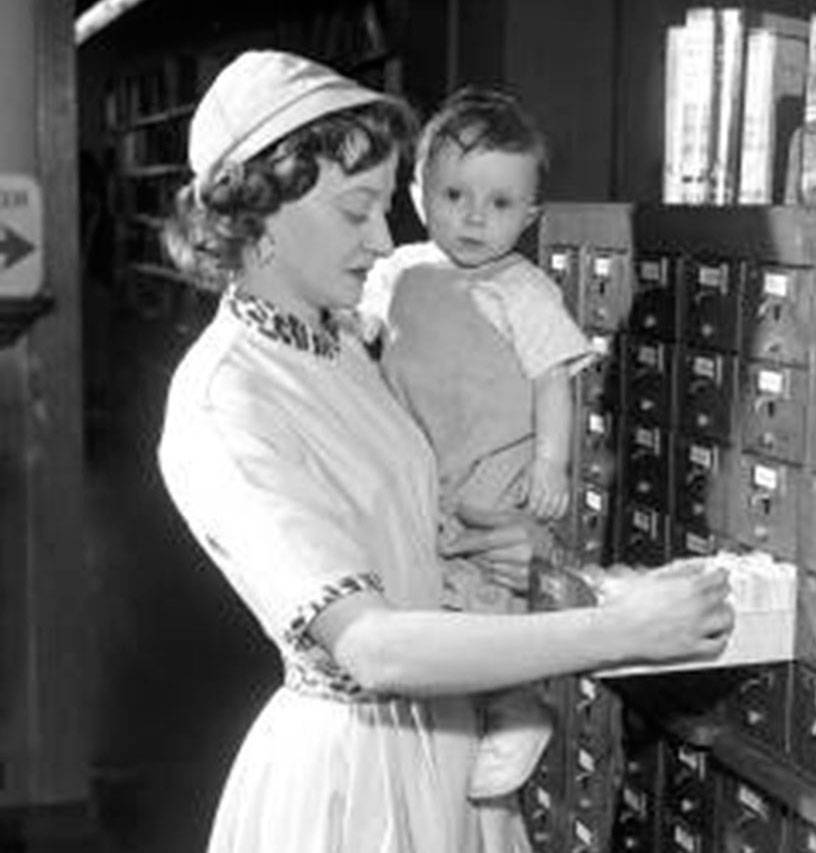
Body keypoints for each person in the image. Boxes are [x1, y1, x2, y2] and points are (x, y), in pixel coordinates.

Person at [157, 49, 733, 852]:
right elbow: (372, 645)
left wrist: (504, 545)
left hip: (449, 742)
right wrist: (623, 630)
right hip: (352, 777)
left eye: (388, 205)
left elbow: (400, 520)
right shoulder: (228, 398)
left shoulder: (342, 343)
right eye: (355, 209)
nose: (382, 236)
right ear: (261, 211)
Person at [360, 86, 589, 615]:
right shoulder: (397, 269)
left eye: (500, 203)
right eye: (455, 196)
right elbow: (360, 329)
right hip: (416, 466)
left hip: (490, 476)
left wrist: (551, 463)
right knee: (413, 584)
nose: (475, 217)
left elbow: (552, 380)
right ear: (419, 196)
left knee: (485, 593)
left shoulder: (522, 288)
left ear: (529, 216)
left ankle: (489, 681)